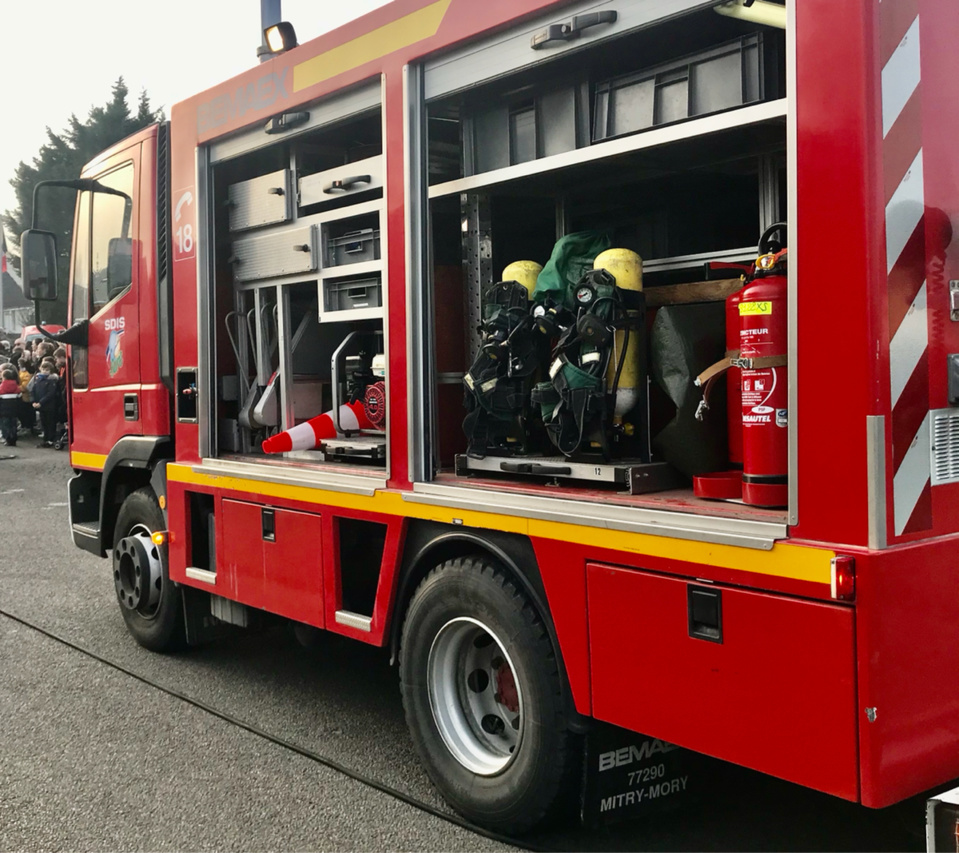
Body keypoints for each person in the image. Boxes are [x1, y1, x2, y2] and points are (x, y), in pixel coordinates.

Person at [30, 361, 59, 447]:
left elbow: (50, 394)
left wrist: (40, 402)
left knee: (50, 423)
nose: (45, 371)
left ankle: (50, 439)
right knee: (44, 423)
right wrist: (33, 401)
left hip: (49, 406)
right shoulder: (37, 379)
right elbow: (33, 391)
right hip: (40, 405)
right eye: (43, 369)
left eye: (47, 370)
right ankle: (45, 439)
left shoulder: (51, 381)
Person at [0, 366, 21, 446]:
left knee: (5, 425)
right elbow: (19, 396)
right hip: (14, 410)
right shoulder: (16, 386)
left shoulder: (1, 387)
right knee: (13, 424)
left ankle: (7, 439)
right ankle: (14, 438)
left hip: (3, 410)